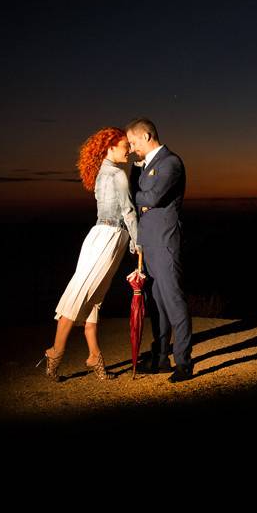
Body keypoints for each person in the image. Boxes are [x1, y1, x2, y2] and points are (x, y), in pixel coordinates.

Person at [38, 127, 140, 381]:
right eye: (124, 144)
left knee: (92, 297)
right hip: (107, 238)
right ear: (110, 147)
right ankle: (55, 352)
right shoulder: (116, 174)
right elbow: (127, 212)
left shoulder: (103, 174)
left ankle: (94, 355)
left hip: (103, 236)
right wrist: (139, 242)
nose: (128, 148)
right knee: (79, 296)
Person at [125, 117, 193, 382]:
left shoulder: (171, 163)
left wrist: (129, 190)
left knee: (174, 302)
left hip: (165, 242)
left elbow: (153, 198)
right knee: (158, 306)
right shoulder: (146, 166)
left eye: (132, 142)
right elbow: (147, 198)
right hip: (149, 244)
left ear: (146, 136)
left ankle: (185, 363)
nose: (131, 148)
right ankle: (161, 358)